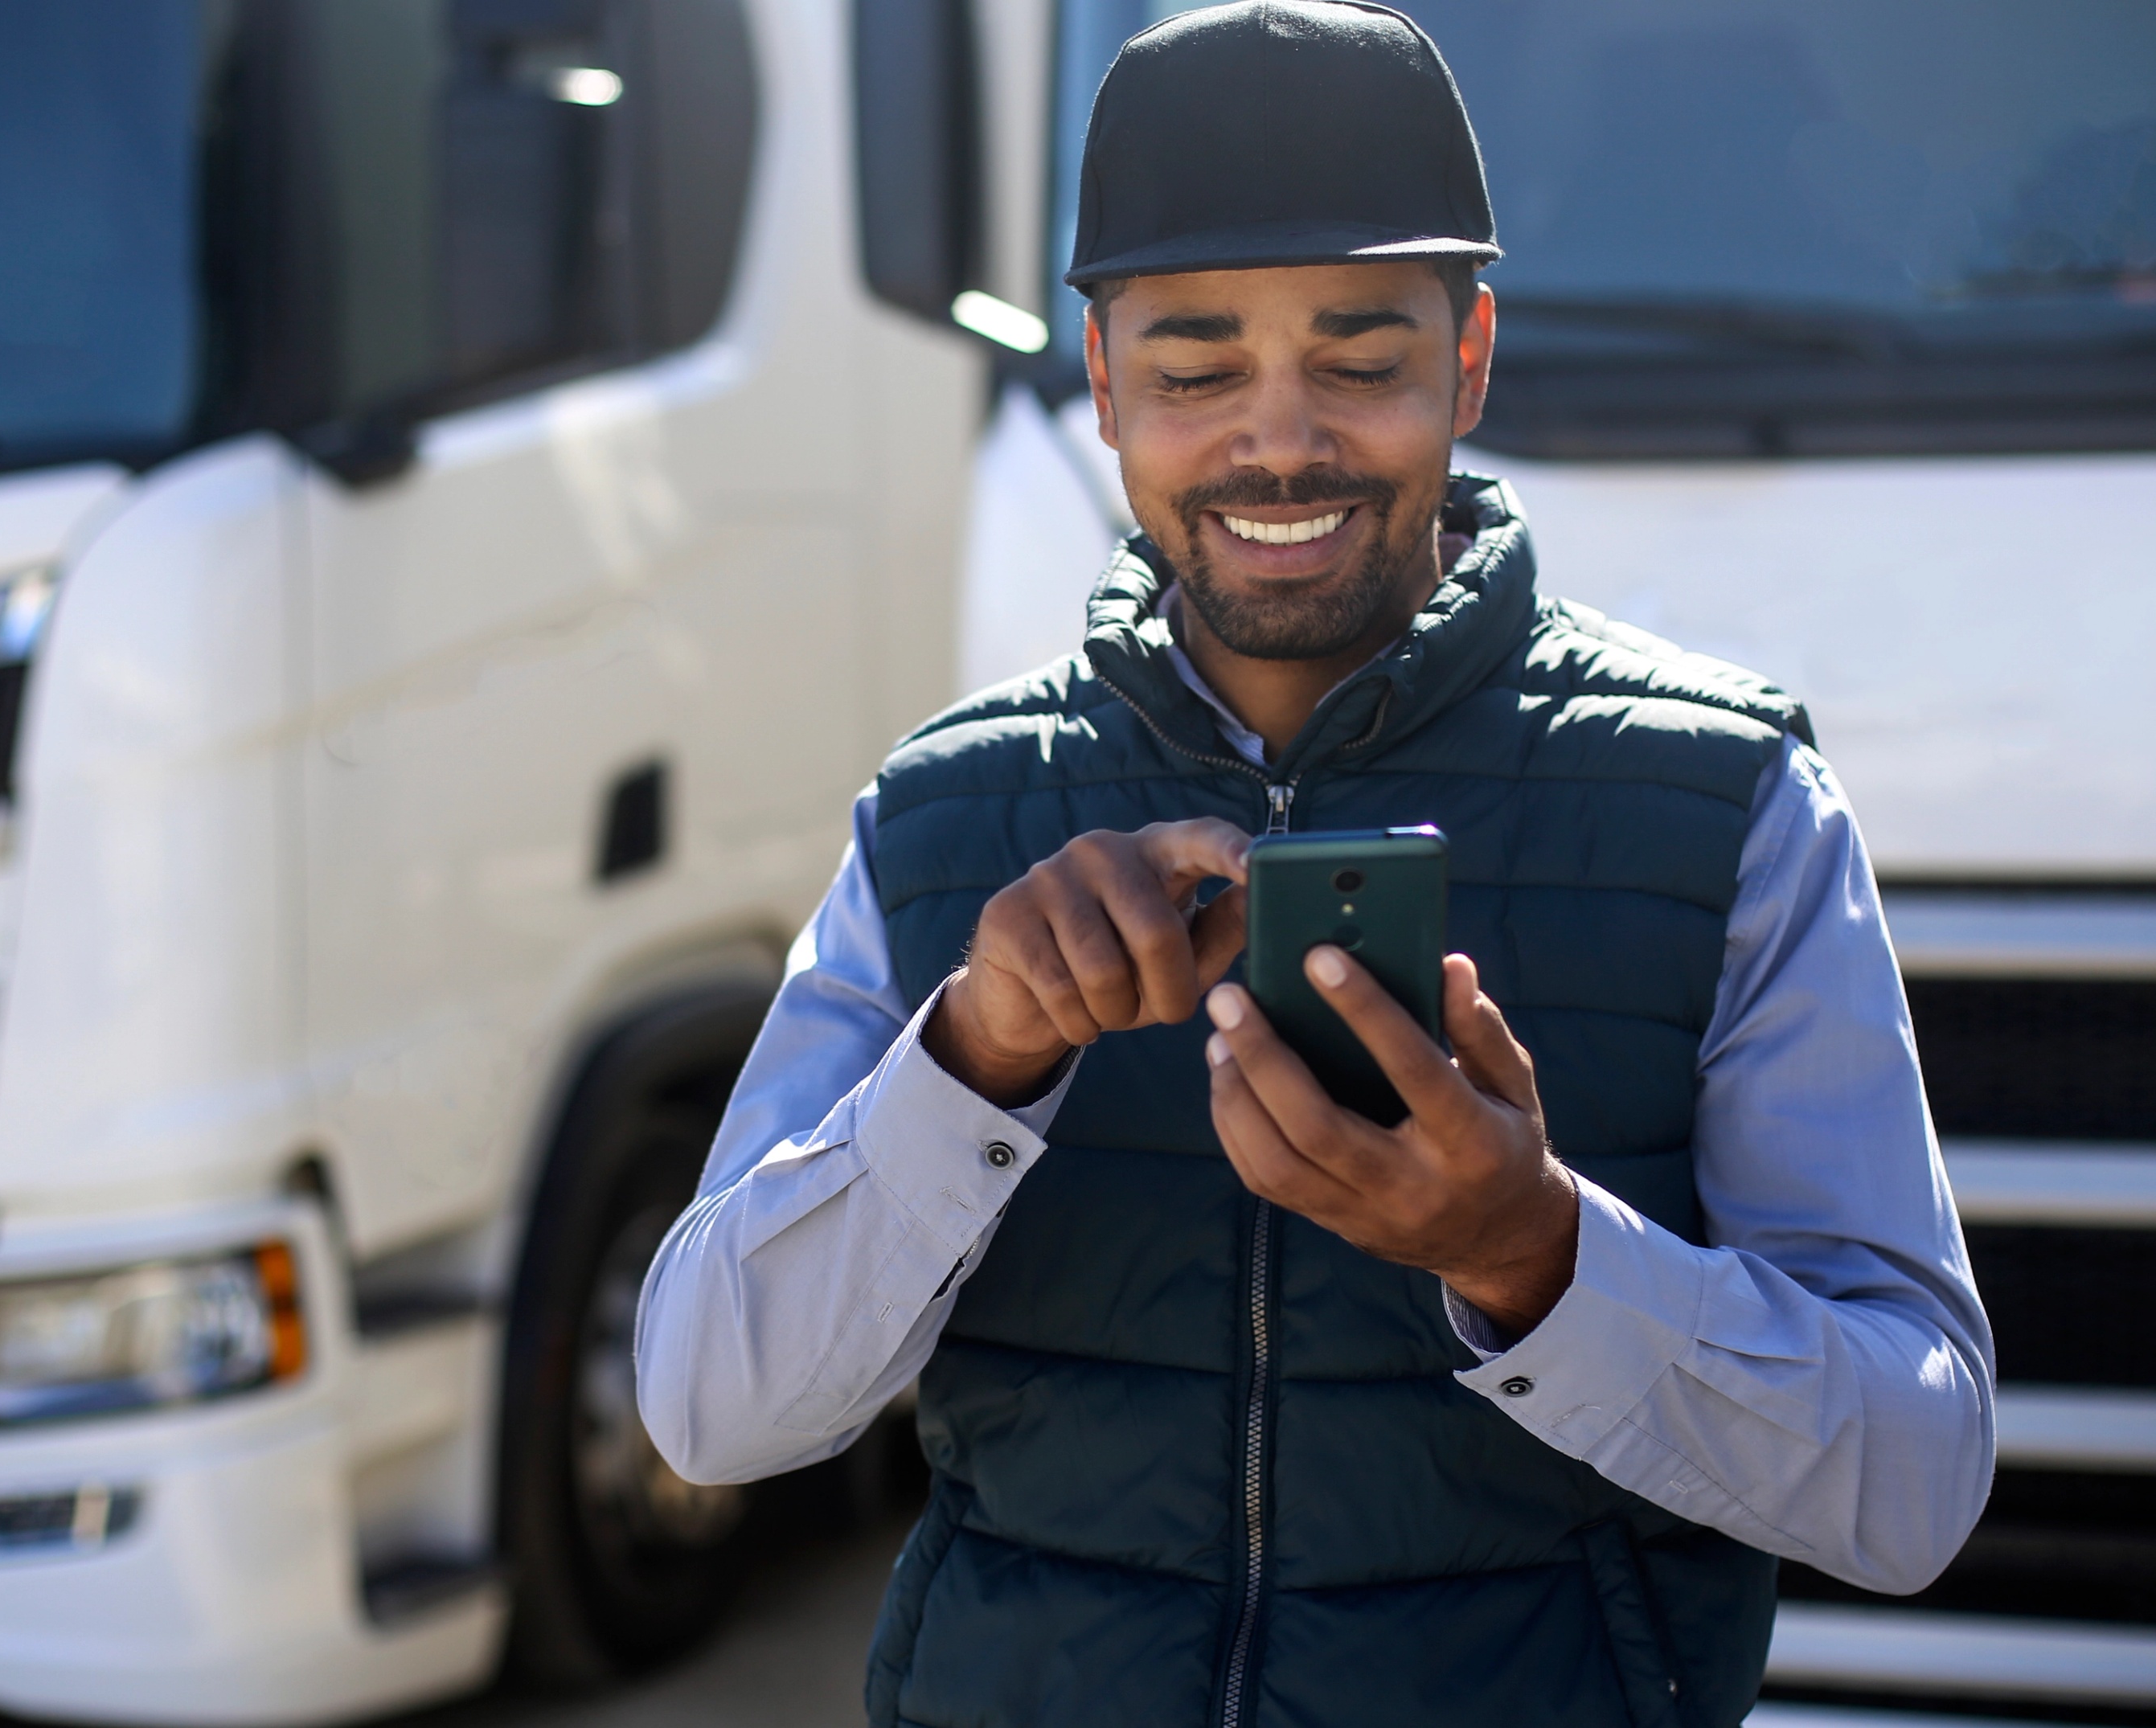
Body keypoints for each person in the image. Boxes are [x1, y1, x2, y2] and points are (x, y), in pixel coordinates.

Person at [635, 4, 1993, 1723]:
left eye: (1360, 359)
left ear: (1472, 358)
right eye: (1199, 368)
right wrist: (972, 1061)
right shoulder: (939, 818)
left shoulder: (1727, 801)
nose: (1281, 442)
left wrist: (1539, 1257)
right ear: (1106, 382)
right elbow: (709, 1410)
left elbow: (1917, 1475)